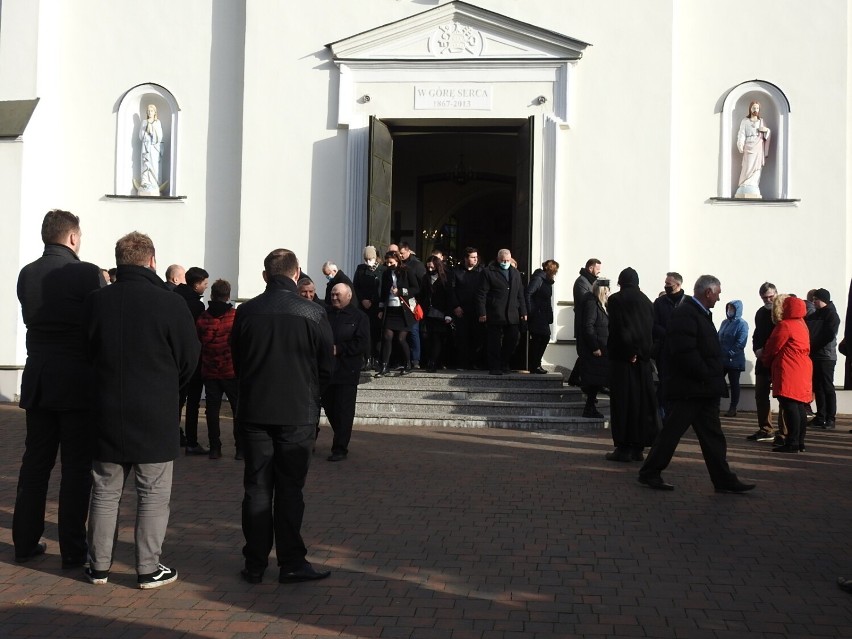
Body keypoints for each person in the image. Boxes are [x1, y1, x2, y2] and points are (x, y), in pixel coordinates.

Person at [84, 231, 200, 588]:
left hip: (106, 407)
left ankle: (98, 566)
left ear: (119, 260)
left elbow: (85, 353)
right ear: (152, 260)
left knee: (104, 490)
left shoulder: (95, 301)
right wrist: (169, 387)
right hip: (154, 409)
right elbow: (189, 357)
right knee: (152, 493)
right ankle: (148, 568)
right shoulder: (169, 303)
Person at [230, 248, 333, 584]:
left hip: (256, 410)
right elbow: (327, 368)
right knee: (290, 490)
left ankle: (255, 563)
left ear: (265, 276)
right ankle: (290, 561)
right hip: (298, 412)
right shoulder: (314, 313)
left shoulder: (246, 312)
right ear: (296, 273)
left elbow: (238, 360)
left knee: (257, 487)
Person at [13, 209, 106, 568]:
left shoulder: (28, 273)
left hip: (38, 377)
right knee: (76, 468)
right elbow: (98, 324)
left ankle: (24, 540)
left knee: (35, 464)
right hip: (77, 380)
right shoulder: (86, 273)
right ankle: (72, 549)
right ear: (71, 238)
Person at [639, 275, 755, 493]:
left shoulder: (697, 313)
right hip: (692, 388)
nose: (719, 299)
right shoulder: (687, 313)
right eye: (718, 293)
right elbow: (685, 352)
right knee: (672, 433)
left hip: (701, 388)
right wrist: (706, 372)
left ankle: (723, 479)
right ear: (708, 292)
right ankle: (649, 472)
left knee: (711, 436)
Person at [605, 267, 659, 461]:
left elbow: (619, 329)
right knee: (640, 404)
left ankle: (623, 447)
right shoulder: (647, 301)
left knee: (622, 403)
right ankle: (638, 447)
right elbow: (648, 331)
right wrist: (641, 352)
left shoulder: (616, 300)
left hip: (623, 360)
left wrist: (630, 352)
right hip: (643, 362)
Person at [322, 283, 369, 461]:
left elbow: (362, 343)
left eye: (338, 295)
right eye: (333, 294)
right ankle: (341, 434)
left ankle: (340, 448)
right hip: (327, 371)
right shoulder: (324, 314)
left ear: (348, 296)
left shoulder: (359, 317)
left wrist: (340, 349)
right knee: (329, 407)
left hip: (346, 371)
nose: (334, 297)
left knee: (344, 410)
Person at [196, 279, 241, 460]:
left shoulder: (203, 318)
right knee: (237, 409)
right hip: (231, 369)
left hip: (210, 369)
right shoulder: (235, 316)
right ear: (228, 295)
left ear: (212, 295)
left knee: (212, 410)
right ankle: (240, 448)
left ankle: (215, 447)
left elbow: (199, 341)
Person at [762, 295, 812, 452]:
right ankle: (800, 442)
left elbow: (773, 346)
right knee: (799, 406)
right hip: (803, 366)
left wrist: (765, 360)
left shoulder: (785, 325)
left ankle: (792, 442)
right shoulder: (802, 324)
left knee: (789, 405)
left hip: (789, 367)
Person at [174, 266, 210, 455]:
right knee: (193, 402)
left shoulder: (174, 297)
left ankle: (173, 436)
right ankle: (192, 441)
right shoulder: (197, 306)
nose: (206, 287)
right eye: (204, 284)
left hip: (174, 358)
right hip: (193, 358)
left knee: (176, 400)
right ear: (196, 285)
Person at [477, 249, 527, 375]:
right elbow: (482, 294)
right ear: (498, 259)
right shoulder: (488, 272)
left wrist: (523, 311)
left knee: (512, 339)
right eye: (503, 260)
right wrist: (482, 312)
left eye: (508, 260)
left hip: (512, 313)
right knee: (494, 342)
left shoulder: (515, 273)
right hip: (495, 312)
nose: (505, 262)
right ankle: (494, 366)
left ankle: (504, 363)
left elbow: (520, 294)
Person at [375, 250, 420, 377]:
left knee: (401, 339)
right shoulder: (386, 274)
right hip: (390, 309)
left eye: (391, 262)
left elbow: (416, 288)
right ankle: (384, 366)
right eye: (387, 262)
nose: (388, 265)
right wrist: (380, 309)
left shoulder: (407, 271)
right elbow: (383, 293)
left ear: (397, 260)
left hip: (404, 310)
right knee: (387, 337)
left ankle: (408, 364)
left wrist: (400, 291)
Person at [652, 272, 686, 417]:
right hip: (664, 350)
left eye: (668, 284)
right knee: (665, 381)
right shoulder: (659, 303)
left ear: (678, 285)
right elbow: (653, 324)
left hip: (683, 351)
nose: (666, 286)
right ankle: (664, 413)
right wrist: (666, 333)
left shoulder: (688, 302)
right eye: (665, 283)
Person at [748, 282, 779, 442]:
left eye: (770, 297)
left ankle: (785, 432)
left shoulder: (781, 311)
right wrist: (757, 349)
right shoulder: (760, 313)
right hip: (762, 360)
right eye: (764, 298)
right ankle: (766, 429)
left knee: (784, 398)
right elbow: (756, 334)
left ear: (776, 294)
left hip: (778, 360)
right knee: (760, 394)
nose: (767, 300)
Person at [806, 288, 840, 429]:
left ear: (823, 299)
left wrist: (813, 345)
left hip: (826, 356)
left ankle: (830, 418)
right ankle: (820, 416)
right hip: (815, 355)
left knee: (827, 386)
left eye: (816, 299)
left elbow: (829, 335)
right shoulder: (814, 314)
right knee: (818, 387)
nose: (813, 302)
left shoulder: (832, 315)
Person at [578, 279, 611, 418]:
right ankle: (589, 408)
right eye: (608, 290)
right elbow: (588, 326)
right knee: (594, 381)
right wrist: (595, 347)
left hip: (601, 348)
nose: (609, 292)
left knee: (596, 381)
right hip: (596, 350)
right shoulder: (592, 303)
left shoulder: (601, 304)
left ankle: (590, 407)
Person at [419, 255, 458, 372]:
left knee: (437, 338)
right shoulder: (425, 278)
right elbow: (422, 295)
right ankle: (431, 360)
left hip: (441, 312)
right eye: (428, 267)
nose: (430, 269)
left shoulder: (445, 278)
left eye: (432, 267)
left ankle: (434, 362)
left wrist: (449, 314)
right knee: (429, 338)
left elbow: (449, 297)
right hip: (428, 312)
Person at [569, 259, 602, 384]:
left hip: (588, 321)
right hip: (583, 322)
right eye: (597, 269)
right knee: (584, 353)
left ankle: (574, 378)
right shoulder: (581, 282)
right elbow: (586, 301)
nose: (599, 272)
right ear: (590, 268)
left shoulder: (589, 281)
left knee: (585, 354)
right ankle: (577, 379)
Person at [352, 246, 386, 368]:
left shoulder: (382, 269)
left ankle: (376, 359)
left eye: (370, 258)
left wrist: (373, 300)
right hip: (364, 306)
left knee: (377, 333)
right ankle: (366, 358)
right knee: (365, 332)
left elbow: (382, 288)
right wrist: (362, 300)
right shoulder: (360, 269)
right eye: (365, 259)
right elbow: (356, 286)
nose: (368, 261)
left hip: (377, 306)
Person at [452, 247, 485, 369]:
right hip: (462, 309)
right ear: (465, 258)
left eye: (476, 257)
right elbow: (452, 290)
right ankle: (462, 363)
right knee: (462, 337)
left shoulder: (481, 272)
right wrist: (456, 306)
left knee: (477, 336)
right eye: (472, 257)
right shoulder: (456, 271)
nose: (475, 259)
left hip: (477, 310)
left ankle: (475, 362)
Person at [526, 259, 559, 374]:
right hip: (537, 314)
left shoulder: (546, 281)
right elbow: (529, 293)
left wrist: (549, 315)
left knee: (542, 338)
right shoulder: (539, 279)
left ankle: (536, 364)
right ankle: (534, 365)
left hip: (542, 314)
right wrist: (531, 311)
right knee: (540, 339)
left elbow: (547, 300)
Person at [718, 300, 749, 417]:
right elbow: (718, 336)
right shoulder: (724, 322)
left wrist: (731, 353)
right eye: (728, 308)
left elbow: (741, 342)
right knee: (717, 381)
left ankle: (733, 407)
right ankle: (716, 405)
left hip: (735, 360)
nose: (729, 311)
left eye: (732, 308)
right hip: (722, 359)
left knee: (734, 383)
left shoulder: (742, 324)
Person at [735, 100, 771, 199]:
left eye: (757, 108)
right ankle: (745, 184)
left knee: (757, 167)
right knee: (747, 166)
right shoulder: (745, 121)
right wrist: (740, 143)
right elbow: (741, 134)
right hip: (748, 146)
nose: (755, 110)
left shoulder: (761, 121)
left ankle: (753, 185)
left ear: (759, 110)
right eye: (754, 108)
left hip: (758, 146)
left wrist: (766, 130)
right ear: (750, 109)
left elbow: (768, 133)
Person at [399, 242, 426, 368]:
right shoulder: (398, 265)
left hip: (412, 302)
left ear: (408, 251)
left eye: (402, 253)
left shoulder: (417, 265)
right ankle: (403, 360)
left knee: (414, 331)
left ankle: (416, 360)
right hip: (399, 303)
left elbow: (421, 286)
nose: (400, 255)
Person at [138, 104, 164, 195]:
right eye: (148, 111)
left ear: (155, 112)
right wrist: (145, 129)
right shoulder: (144, 122)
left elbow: (160, 137)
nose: (150, 112)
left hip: (153, 148)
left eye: (151, 111)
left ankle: (154, 183)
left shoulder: (157, 122)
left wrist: (152, 131)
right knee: (145, 164)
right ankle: (145, 182)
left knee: (153, 164)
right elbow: (140, 136)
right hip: (145, 146)